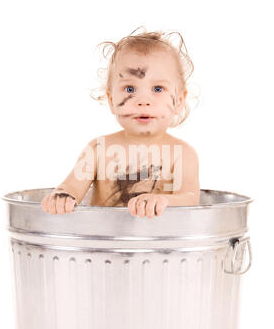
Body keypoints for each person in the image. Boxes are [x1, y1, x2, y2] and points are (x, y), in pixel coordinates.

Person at [41, 27, 200, 218]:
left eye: (158, 89)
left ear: (180, 101)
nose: (143, 100)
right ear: (111, 101)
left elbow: (190, 198)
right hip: (101, 244)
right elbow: (72, 186)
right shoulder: (98, 149)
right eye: (130, 88)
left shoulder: (181, 153)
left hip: (160, 245)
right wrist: (62, 196)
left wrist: (165, 201)